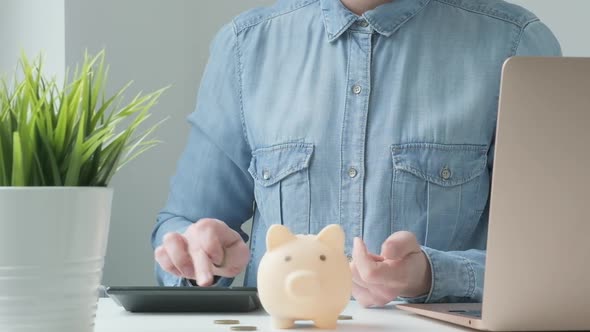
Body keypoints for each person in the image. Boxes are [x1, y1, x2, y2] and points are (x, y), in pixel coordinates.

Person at [151, 0, 561, 306]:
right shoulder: (244, 47)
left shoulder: (516, 43)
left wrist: (433, 276)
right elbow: (182, 226)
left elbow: (554, 261)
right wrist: (198, 255)